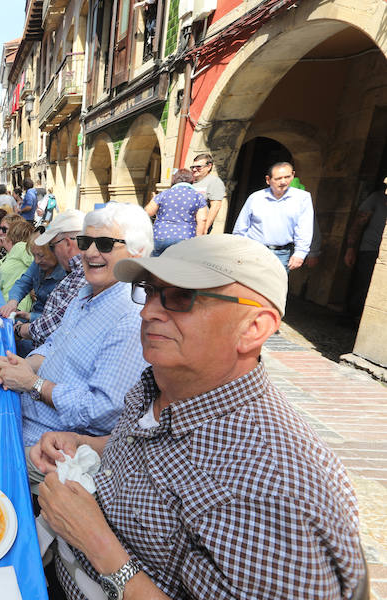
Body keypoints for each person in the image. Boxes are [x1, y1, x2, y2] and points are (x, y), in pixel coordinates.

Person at [33, 234, 365, 600]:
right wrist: (86, 444)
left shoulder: (272, 488)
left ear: (254, 328)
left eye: (180, 297)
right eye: (151, 291)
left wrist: (97, 544)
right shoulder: (165, 382)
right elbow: (150, 443)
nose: (147, 312)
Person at [0, 203, 152, 457]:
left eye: (105, 244)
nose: (90, 253)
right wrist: (25, 366)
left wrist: (34, 384)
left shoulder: (131, 317)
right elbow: (52, 345)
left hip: (48, 444)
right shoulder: (86, 294)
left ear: (136, 253)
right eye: (86, 242)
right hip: (25, 413)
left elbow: (102, 411)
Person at [13, 210, 87, 349]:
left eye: (52, 246)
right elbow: (24, 282)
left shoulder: (81, 272)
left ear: (67, 243)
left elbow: (57, 322)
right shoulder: (75, 270)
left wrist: (20, 330)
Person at [233, 161, 314, 270]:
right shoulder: (256, 198)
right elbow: (241, 227)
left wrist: (300, 253)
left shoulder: (302, 198)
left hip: (282, 255)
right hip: (253, 251)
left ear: (293, 175)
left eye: (287, 177)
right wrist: (238, 249)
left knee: (274, 287)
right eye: (278, 178)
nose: (283, 182)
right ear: (268, 180)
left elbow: (305, 228)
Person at [344, 176, 387, 317]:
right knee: (362, 286)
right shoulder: (377, 198)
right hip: (370, 250)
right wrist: (351, 248)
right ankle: (351, 317)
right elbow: (358, 222)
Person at [144, 168, 208, 256]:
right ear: (191, 181)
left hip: (161, 235)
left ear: (174, 180)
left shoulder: (164, 194)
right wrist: (198, 240)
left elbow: (148, 212)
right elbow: (203, 219)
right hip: (186, 237)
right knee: (180, 266)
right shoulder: (198, 197)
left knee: (155, 265)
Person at [0, 219, 34, 303]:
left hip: (16, 304)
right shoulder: (12, 252)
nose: (1, 232)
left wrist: (35, 287)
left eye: (4, 229)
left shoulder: (21, 247)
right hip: (6, 300)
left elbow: (38, 263)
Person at [190, 152, 226, 233]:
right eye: (192, 167)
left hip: (198, 226)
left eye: (198, 167)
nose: (194, 169)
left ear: (209, 166)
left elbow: (215, 206)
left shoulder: (214, 182)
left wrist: (205, 228)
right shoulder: (189, 181)